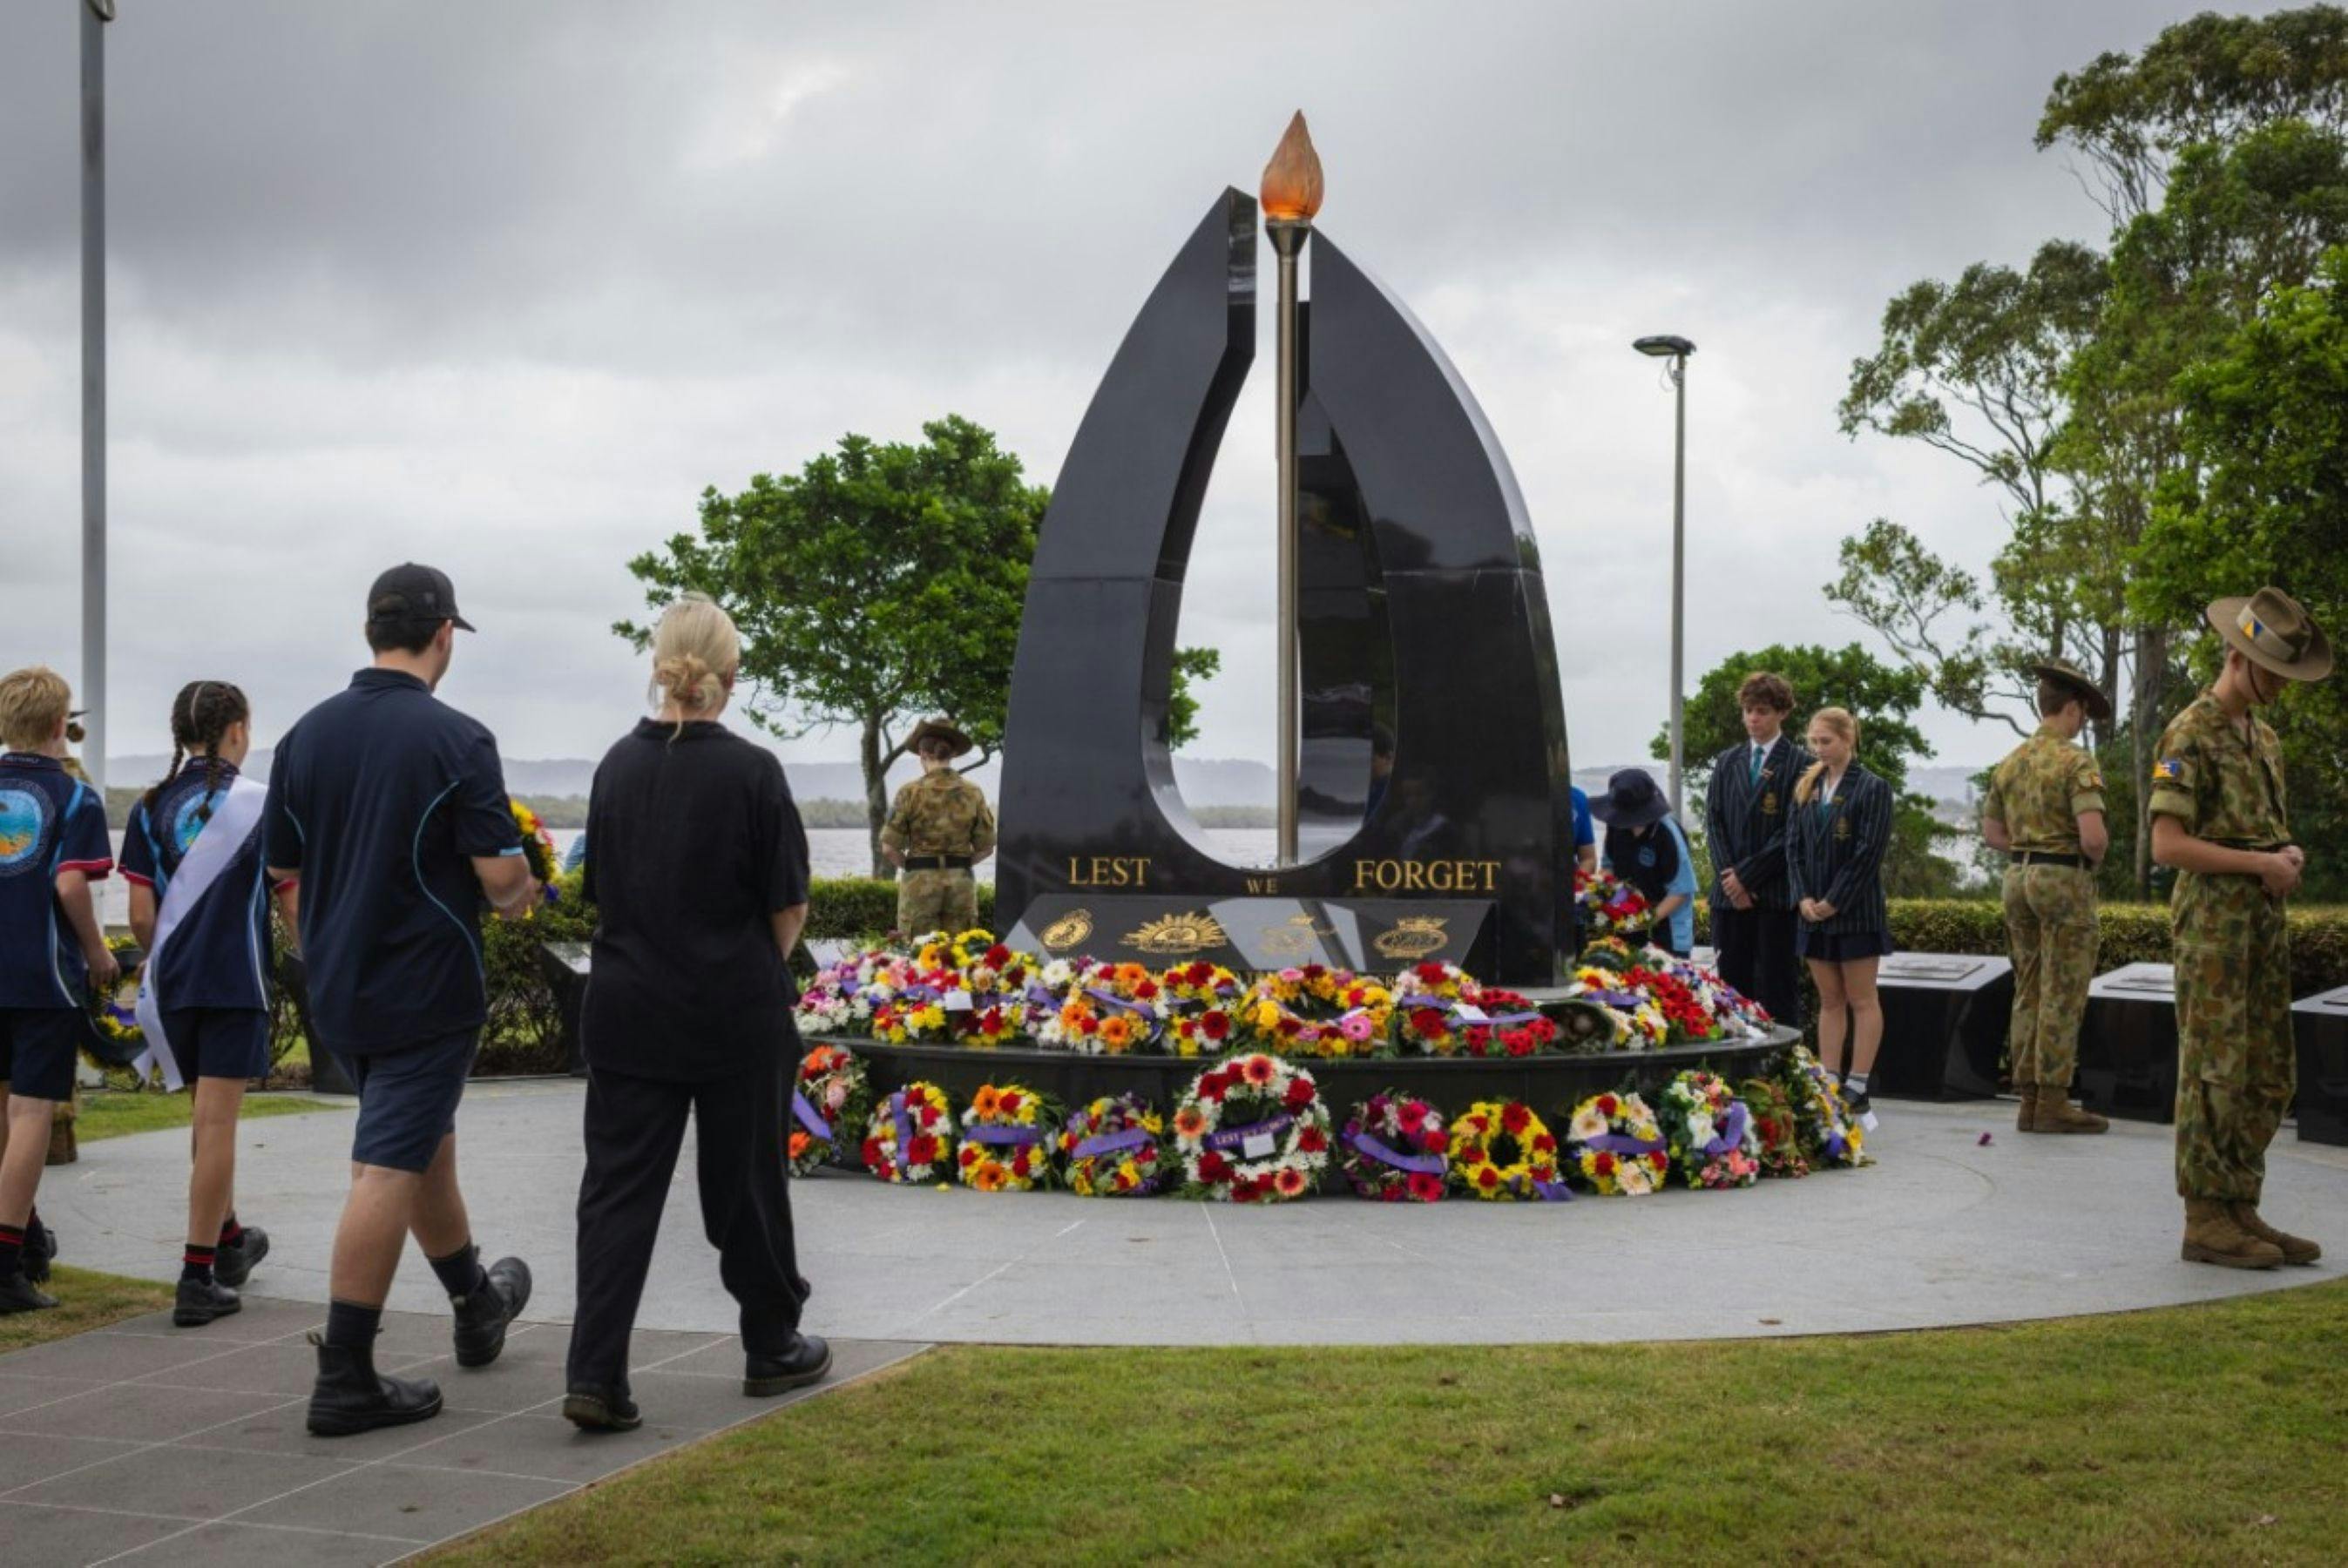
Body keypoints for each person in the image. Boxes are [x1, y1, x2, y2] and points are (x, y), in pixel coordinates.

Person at [263, 564, 538, 1436]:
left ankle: (474, 1302)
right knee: (384, 1168)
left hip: (339, 987)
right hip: (426, 985)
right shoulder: (457, 739)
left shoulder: (304, 738)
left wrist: (329, 947)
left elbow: (285, 876)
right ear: (445, 635)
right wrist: (524, 885)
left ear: (370, 631)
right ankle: (345, 1376)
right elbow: (499, 882)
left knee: (423, 1149)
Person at [563, 594, 826, 1430]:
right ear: (731, 674)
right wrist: (748, 966)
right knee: (744, 1185)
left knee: (616, 1193)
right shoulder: (753, 773)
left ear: (659, 666)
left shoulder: (615, 766)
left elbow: (600, 891)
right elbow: (787, 907)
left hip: (628, 1008)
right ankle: (770, 1342)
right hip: (732, 1011)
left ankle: (596, 1371)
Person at [2149, 587, 2331, 1271]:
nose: (2281, 687)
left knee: (2266, 1071)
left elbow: (2258, 833)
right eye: (2272, 672)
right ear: (2236, 656)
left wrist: (2281, 856)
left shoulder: (2262, 736)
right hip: (2213, 926)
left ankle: (2237, 1205)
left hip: (2259, 923)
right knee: (2213, 1069)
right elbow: (2167, 847)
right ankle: (2204, 1216)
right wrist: (2259, 861)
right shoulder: (2188, 732)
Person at [123, 680, 297, 1325]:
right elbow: (288, 895)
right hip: (235, 981)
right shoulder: (260, 804)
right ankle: (197, 1275)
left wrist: (167, 954)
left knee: (204, 1115)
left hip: (173, 987)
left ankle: (228, 1240)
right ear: (238, 731)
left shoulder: (148, 806)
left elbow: (142, 914)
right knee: (218, 1122)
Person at [0, 667, 116, 1314]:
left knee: (3, 1112)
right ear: (57, 726)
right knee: (32, 1114)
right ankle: (5, 1262)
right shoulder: (75, 797)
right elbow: (72, 886)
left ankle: (28, 1233)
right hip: (41, 976)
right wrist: (98, 953)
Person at [1981, 659, 2112, 1136]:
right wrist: (2086, 860)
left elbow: (1992, 832)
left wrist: (2028, 847)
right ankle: (2054, 1100)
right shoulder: (2076, 761)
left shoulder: (2012, 761)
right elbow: (2093, 838)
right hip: (2062, 879)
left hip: (2017, 876)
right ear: (2073, 709)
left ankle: (2029, 1100)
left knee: (2029, 987)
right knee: (2063, 990)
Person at [1786, 706, 1892, 1126]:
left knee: (1862, 998)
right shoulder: (1806, 786)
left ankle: (1859, 1083)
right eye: (1813, 741)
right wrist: (1803, 898)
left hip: (1855, 912)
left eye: (1826, 741)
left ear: (1849, 740)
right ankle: (1829, 1079)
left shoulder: (1873, 788)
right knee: (1829, 999)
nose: (1818, 749)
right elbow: (1792, 848)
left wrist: (1834, 899)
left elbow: (1869, 853)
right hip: (1813, 912)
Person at [1703, 672, 1810, 1030]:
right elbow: (1714, 823)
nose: (1753, 718)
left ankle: (1783, 1074)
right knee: (1729, 992)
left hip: (1774, 897)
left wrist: (1748, 877)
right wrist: (1731, 881)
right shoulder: (1727, 761)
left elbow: (1794, 832)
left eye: (1762, 711)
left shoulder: (1801, 763)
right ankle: (1728, 1073)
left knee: (1778, 991)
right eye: (1748, 710)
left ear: (1782, 713)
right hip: (1728, 898)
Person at [880, 719, 995, 936]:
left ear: (923, 754)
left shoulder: (909, 792)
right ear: (952, 755)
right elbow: (986, 848)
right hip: (961, 883)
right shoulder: (973, 792)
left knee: (918, 958)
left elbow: (888, 848)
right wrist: (960, 864)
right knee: (960, 955)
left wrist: (914, 866)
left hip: (919, 882)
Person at [1589, 768, 1699, 957]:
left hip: (1667, 928)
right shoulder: (1615, 827)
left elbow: (1681, 890)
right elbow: (1608, 867)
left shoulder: (1667, 834)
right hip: (1626, 923)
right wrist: (1606, 898)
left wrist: (1644, 921)